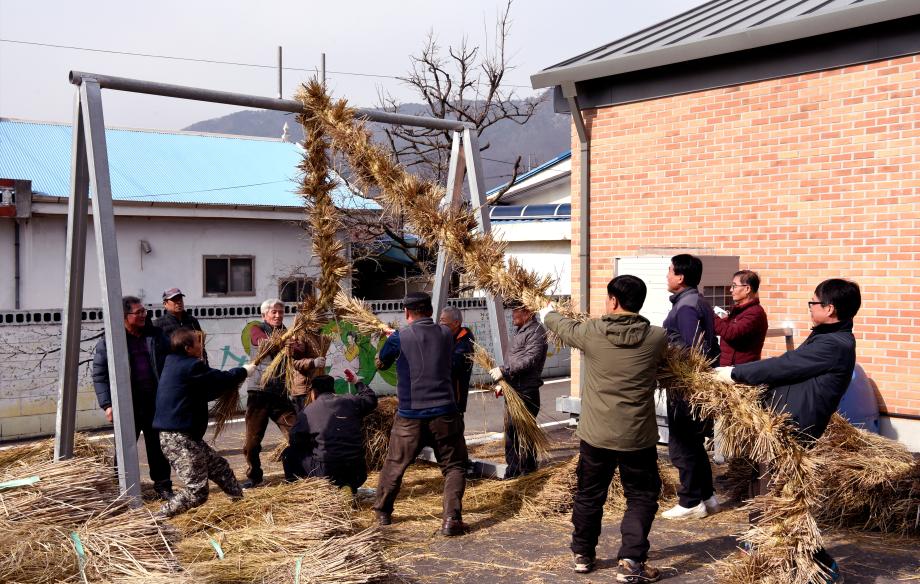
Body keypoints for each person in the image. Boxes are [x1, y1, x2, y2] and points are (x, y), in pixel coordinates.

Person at [715, 278, 861, 584]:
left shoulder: (834, 344)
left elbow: (785, 366)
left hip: (794, 431)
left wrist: (734, 373)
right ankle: (756, 547)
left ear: (829, 308)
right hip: (780, 427)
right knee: (765, 490)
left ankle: (818, 566)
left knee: (778, 500)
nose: (810, 307)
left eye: (813, 302)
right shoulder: (825, 336)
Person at [543, 275, 667, 582]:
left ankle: (583, 554)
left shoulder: (592, 332)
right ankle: (631, 561)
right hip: (637, 436)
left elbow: (561, 326)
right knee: (641, 496)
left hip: (596, 435)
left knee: (589, 494)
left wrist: (548, 312)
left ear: (613, 301)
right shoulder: (656, 337)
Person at [373, 292, 468, 536]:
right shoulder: (447, 334)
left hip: (410, 414)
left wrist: (391, 340)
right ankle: (451, 520)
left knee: (395, 463)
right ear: (430, 310)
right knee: (454, 466)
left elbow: (380, 363)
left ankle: (383, 513)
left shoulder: (399, 337)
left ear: (407, 312)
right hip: (446, 412)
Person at [153, 329, 253, 516]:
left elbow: (206, 392)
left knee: (220, 467)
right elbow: (219, 379)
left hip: (186, 436)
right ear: (188, 348)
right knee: (197, 492)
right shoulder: (191, 366)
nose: (201, 345)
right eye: (197, 343)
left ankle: (241, 507)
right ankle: (156, 519)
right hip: (178, 439)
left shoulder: (172, 363)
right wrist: (243, 371)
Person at [92, 295, 173, 499]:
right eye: (138, 313)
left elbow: (171, 361)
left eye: (144, 311)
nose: (144, 316)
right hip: (127, 404)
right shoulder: (110, 341)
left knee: (158, 446)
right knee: (125, 447)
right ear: (124, 316)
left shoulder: (156, 336)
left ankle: (163, 486)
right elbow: (100, 374)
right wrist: (107, 405)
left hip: (155, 401)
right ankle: (121, 489)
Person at [661, 254, 720, 520]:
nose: (667, 276)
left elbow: (692, 350)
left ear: (681, 277)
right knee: (694, 443)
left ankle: (690, 502)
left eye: (669, 271)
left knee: (682, 444)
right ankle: (707, 495)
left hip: (686, 386)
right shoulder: (697, 302)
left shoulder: (686, 307)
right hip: (693, 385)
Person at [282, 370, 378, 492]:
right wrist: (356, 381)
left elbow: (294, 440)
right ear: (333, 390)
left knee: (288, 454)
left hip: (328, 472)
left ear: (314, 393)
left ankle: (300, 492)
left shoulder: (307, 412)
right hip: (358, 471)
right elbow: (371, 399)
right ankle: (347, 486)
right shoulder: (351, 401)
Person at [241, 298, 297, 489]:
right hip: (259, 393)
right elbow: (263, 343)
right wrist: (285, 344)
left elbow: (297, 348)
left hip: (280, 393)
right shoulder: (257, 329)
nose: (278, 315)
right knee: (252, 443)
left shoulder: (288, 332)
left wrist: (294, 346)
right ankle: (255, 477)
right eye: (273, 312)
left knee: (296, 434)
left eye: (281, 312)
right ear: (264, 315)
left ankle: (295, 474)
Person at [489, 301, 548, 477]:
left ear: (528, 312)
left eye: (516, 311)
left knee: (519, 432)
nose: (512, 315)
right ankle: (523, 469)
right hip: (515, 388)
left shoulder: (536, 332)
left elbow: (530, 359)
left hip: (525, 392)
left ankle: (518, 471)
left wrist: (504, 371)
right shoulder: (523, 331)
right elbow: (514, 360)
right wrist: (503, 382)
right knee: (516, 432)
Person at [714, 270, 768, 366]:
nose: (731, 289)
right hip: (729, 368)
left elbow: (732, 333)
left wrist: (711, 317)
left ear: (747, 289)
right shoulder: (738, 311)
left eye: (734, 286)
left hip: (742, 372)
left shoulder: (755, 313)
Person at [439, 306, 476, 414]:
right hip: (444, 397)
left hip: (455, 398)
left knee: (454, 427)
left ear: (456, 323)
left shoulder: (464, 345)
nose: (440, 324)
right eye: (440, 320)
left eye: (443, 321)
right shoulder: (449, 337)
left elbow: (452, 366)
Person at [287, 330, 327, 412]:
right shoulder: (301, 336)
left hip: (317, 386)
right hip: (304, 389)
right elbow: (294, 362)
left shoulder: (318, 335)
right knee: (305, 420)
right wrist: (313, 362)